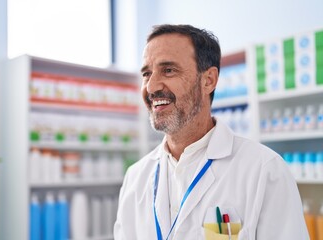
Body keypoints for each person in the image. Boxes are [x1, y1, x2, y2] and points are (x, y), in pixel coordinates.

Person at [114, 24, 308, 240]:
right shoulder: (135, 178)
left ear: (208, 80)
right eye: (146, 74)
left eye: (168, 70)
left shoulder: (264, 170)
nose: (151, 87)